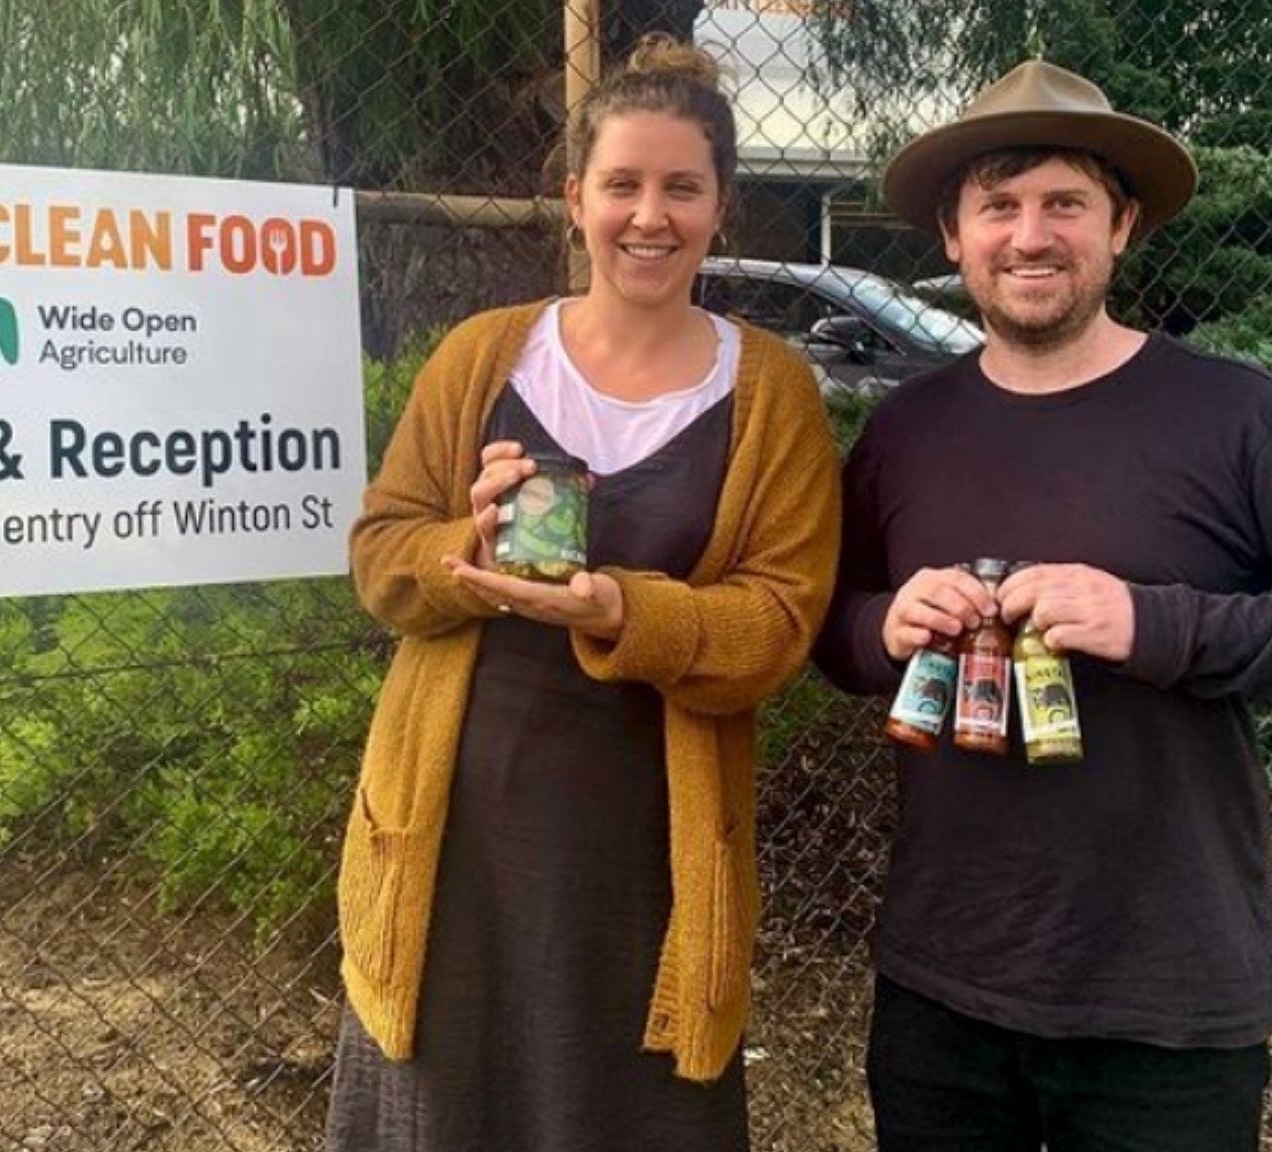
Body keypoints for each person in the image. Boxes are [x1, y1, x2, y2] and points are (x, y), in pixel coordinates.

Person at [813, 60, 1272, 1151]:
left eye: (1064, 204)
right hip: (941, 990)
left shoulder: (1236, 418)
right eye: (998, 206)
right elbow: (829, 631)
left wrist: (1156, 625)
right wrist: (881, 628)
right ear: (953, 236)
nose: (1030, 236)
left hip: (1166, 1004)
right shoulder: (905, 429)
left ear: (1120, 226)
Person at [326, 33, 842, 1152]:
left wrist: (625, 615)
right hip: (457, 828)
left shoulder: (771, 392)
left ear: (721, 207)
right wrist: (468, 543)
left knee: (631, 1109)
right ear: (574, 200)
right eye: (621, 185)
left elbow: (778, 624)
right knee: (448, 1103)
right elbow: (380, 559)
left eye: (680, 188)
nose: (649, 216)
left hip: (650, 842)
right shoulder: (482, 357)